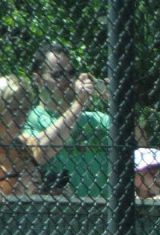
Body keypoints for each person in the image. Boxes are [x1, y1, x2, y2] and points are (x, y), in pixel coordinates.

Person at [24, 42, 109, 197]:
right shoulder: (25, 119)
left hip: (105, 215)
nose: (67, 80)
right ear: (37, 79)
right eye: (57, 75)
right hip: (55, 216)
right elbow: (38, 154)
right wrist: (79, 103)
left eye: (71, 73)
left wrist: (118, 102)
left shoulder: (96, 119)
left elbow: (140, 142)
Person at [0, 75, 42, 197]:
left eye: (24, 110)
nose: (21, 117)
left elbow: (52, 140)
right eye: (13, 110)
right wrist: (21, 186)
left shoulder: (25, 145)